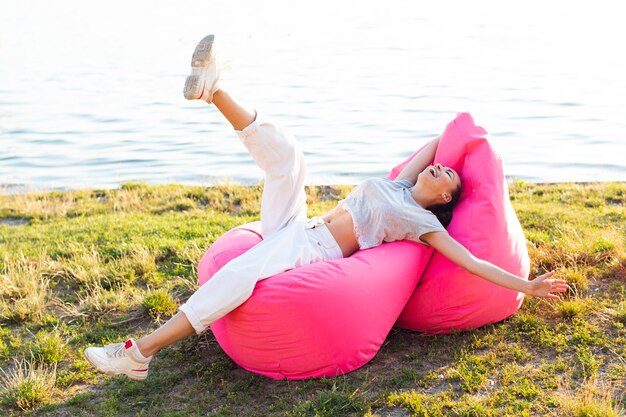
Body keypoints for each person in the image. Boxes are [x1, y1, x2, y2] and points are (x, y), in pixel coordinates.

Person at [84, 35, 568, 380]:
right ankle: (214, 90)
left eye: (446, 176)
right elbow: (443, 137)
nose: (438, 168)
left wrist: (527, 284)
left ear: (444, 199)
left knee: (235, 277)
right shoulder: (399, 184)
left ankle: (139, 352)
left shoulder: (420, 222)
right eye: (440, 167)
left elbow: (474, 261)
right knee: (290, 158)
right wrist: (462, 136)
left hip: (314, 251)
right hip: (299, 226)